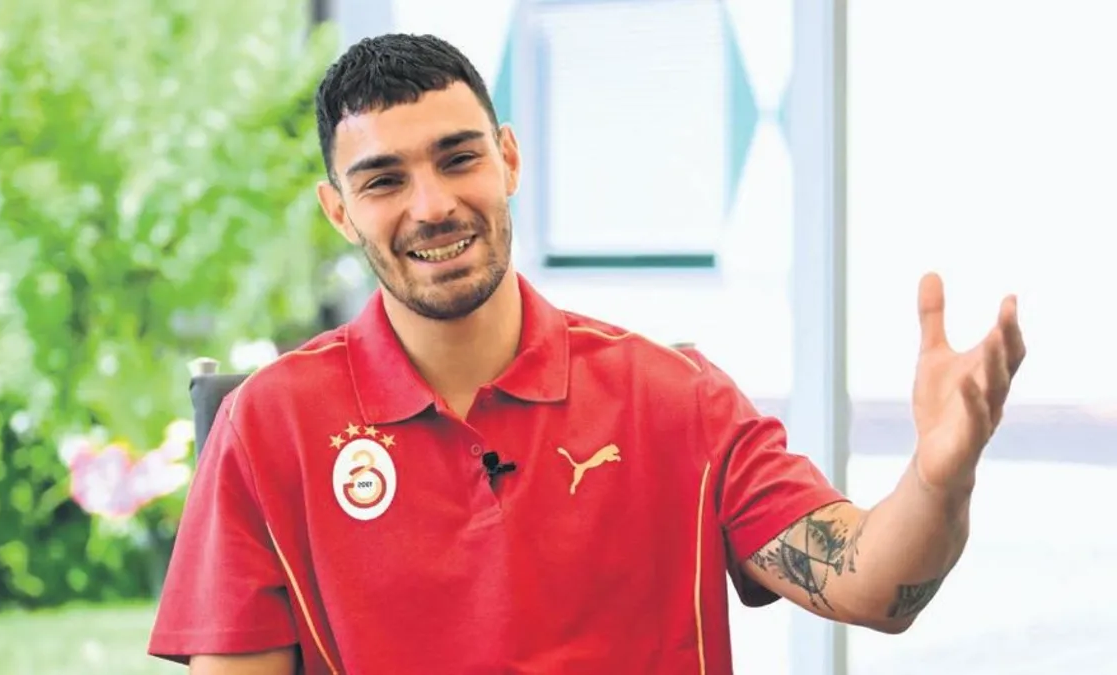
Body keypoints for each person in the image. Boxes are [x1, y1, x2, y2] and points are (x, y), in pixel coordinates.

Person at [147, 33, 1026, 675]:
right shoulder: (268, 424)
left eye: (459, 159)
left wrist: (938, 479)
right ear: (339, 210)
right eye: (384, 180)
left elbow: (873, 588)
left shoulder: (676, 397)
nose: (433, 205)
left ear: (508, 159)